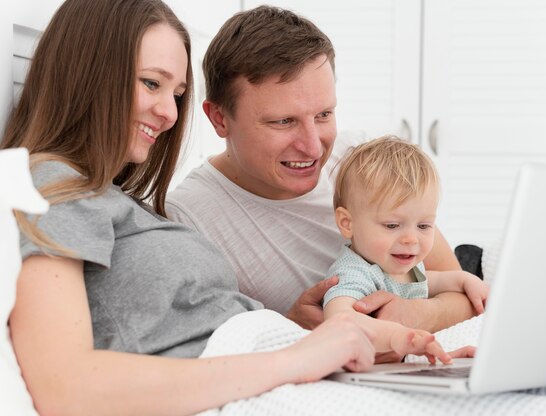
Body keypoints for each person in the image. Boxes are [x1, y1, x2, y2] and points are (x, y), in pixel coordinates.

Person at [3, 1, 456, 414]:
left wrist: (391, 332)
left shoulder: (109, 199)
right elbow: (65, 386)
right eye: (151, 83)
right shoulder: (50, 185)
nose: (169, 113)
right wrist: (296, 357)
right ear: (86, 73)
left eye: (175, 92)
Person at [166, 5, 476, 333]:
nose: (314, 148)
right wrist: (287, 327)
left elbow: (465, 295)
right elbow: (204, 346)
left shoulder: (358, 159)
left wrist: (415, 316)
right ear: (219, 118)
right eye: (283, 121)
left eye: (324, 115)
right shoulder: (188, 220)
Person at [323, 136, 489, 341]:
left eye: (424, 226)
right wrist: (398, 337)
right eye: (392, 225)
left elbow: (433, 280)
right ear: (348, 223)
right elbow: (340, 317)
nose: (411, 239)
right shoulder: (356, 273)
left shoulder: (405, 265)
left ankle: (474, 263)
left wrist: (465, 280)